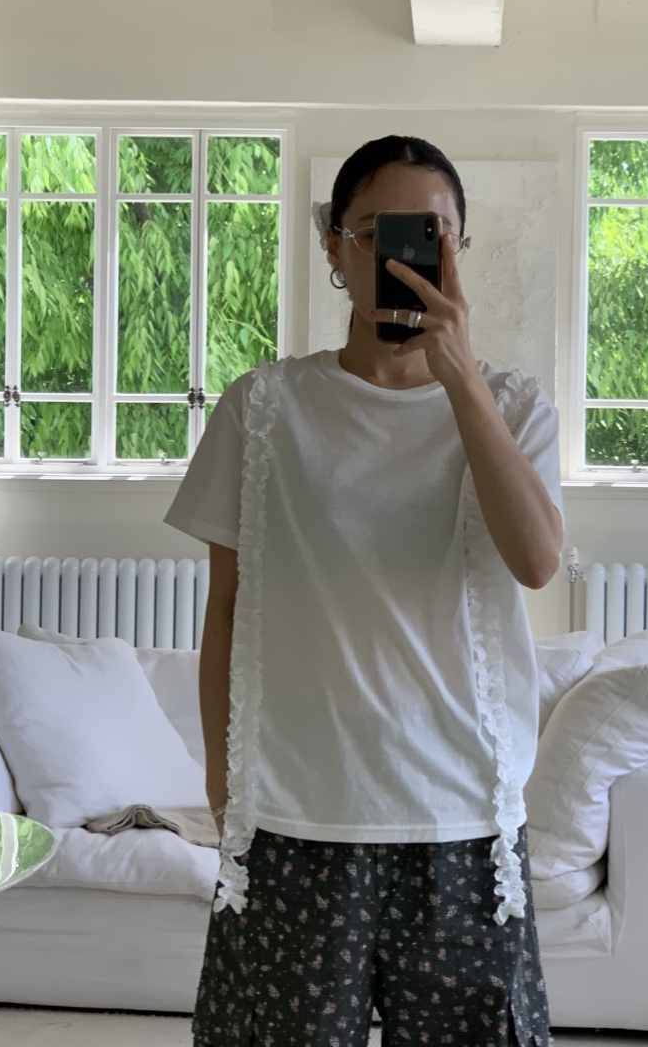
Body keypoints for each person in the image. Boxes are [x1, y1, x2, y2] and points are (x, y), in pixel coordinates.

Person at [164, 135, 564, 1047]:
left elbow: (537, 561)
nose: (405, 254)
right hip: (294, 814)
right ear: (335, 247)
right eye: (379, 231)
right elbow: (225, 609)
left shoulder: (514, 405)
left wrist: (461, 378)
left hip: (462, 815)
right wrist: (224, 791)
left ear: (458, 248)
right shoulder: (262, 407)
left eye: (433, 233)